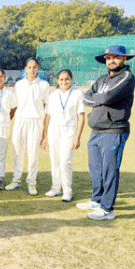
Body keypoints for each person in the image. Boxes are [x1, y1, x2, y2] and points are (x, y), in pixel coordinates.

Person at [76, 45, 135, 220]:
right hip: (96, 130)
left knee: (110, 169)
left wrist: (98, 98)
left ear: (124, 59)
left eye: (116, 57)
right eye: (108, 58)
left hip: (114, 130)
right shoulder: (102, 79)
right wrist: (98, 98)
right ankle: (97, 200)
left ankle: (108, 209)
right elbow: (85, 97)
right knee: (95, 167)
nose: (111, 60)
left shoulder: (127, 77)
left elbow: (106, 97)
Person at [6, 57, 50, 195]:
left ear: (38, 68)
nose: (32, 70)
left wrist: (45, 133)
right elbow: (13, 105)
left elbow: (47, 106)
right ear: (25, 69)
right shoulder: (19, 84)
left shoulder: (44, 85)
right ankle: (16, 180)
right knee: (18, 151)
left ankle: (31, 182)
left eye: (35, 67)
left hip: (36, 121)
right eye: (29, 67)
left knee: (33, 153)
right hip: (20, 120)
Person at [40, 69, 85, 202]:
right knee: (55, 161)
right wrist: (45, 136)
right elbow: (48, 116)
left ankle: (67, 190)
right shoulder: (53, 95)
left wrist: (77, 137)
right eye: (61, 79)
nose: (64, 82)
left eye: (66, 79)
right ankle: (55, 188)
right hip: (54, 130)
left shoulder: (78, 94)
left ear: (71, 79)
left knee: (65, 161)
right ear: (57, 81)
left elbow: (81, 117)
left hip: (69, 131)